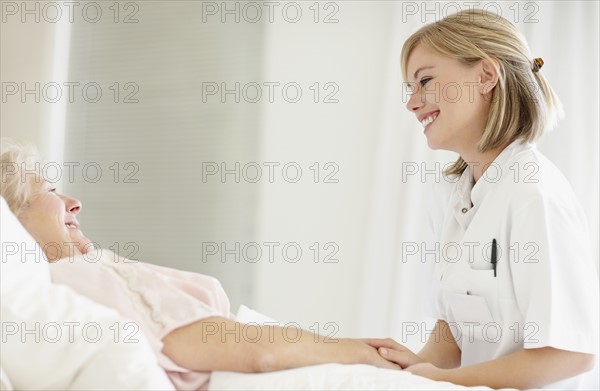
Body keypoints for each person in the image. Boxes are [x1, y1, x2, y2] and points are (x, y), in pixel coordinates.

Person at [0, 138, 399, 391]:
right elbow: (250, 351)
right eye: (51, 190)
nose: (75, 202)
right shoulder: (76, 275)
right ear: (12, 217)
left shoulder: (67, 283)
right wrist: (361, 352)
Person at [364, 9, 599, 390]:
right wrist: (415, 370)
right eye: (410, 88)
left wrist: (444, 380)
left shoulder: (533, 193)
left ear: (486, 76)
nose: (412, 103)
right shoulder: (454, 196)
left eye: (425, 81)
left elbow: (572, 353)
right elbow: (456, 331)